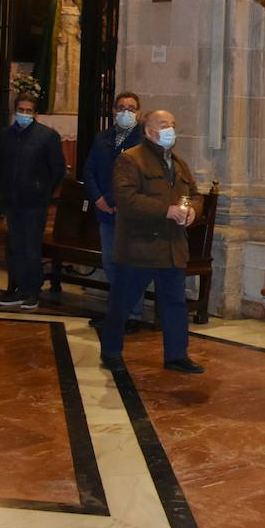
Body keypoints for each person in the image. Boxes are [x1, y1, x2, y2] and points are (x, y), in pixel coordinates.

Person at [98, 110, 205, 374]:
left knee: (175, 304)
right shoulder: (130, 160)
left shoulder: (178, 163)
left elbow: (194, 194)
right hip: (140, 246)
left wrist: (192, 211)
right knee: (123, 302)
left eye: (172, 124)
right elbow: (125, 198)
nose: (170, 129)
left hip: (172, 247)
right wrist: (165, 210)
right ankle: (111, 351)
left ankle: (177, 355)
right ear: (148, 131)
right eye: (163, 124)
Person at [0, 92, 67, 310]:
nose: (24, 114)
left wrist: (43, 192)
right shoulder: (6, 135)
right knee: (16, 247)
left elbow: (58, 170)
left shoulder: (47, 136)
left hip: (34, 202)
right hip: (12, 201)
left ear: (35, 113)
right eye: (21, 110)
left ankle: (33, 291)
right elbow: (2, 168)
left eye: (28, 111)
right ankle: (18, 289)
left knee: (31, 248)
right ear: (15, 111)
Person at [83, 91, 147, 331]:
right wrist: (98, 198)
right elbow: (89, 170)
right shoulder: (103, 138)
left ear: (138, 113)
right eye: (121, 107)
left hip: (129, 213)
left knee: (129, 264)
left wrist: (112, 198)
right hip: (105, 212)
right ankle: (116, 313)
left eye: (131, 108)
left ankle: (133, 314)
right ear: (113, 111)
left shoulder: (143, 141)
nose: (126, 112)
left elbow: (137, 176)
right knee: (110, 263)